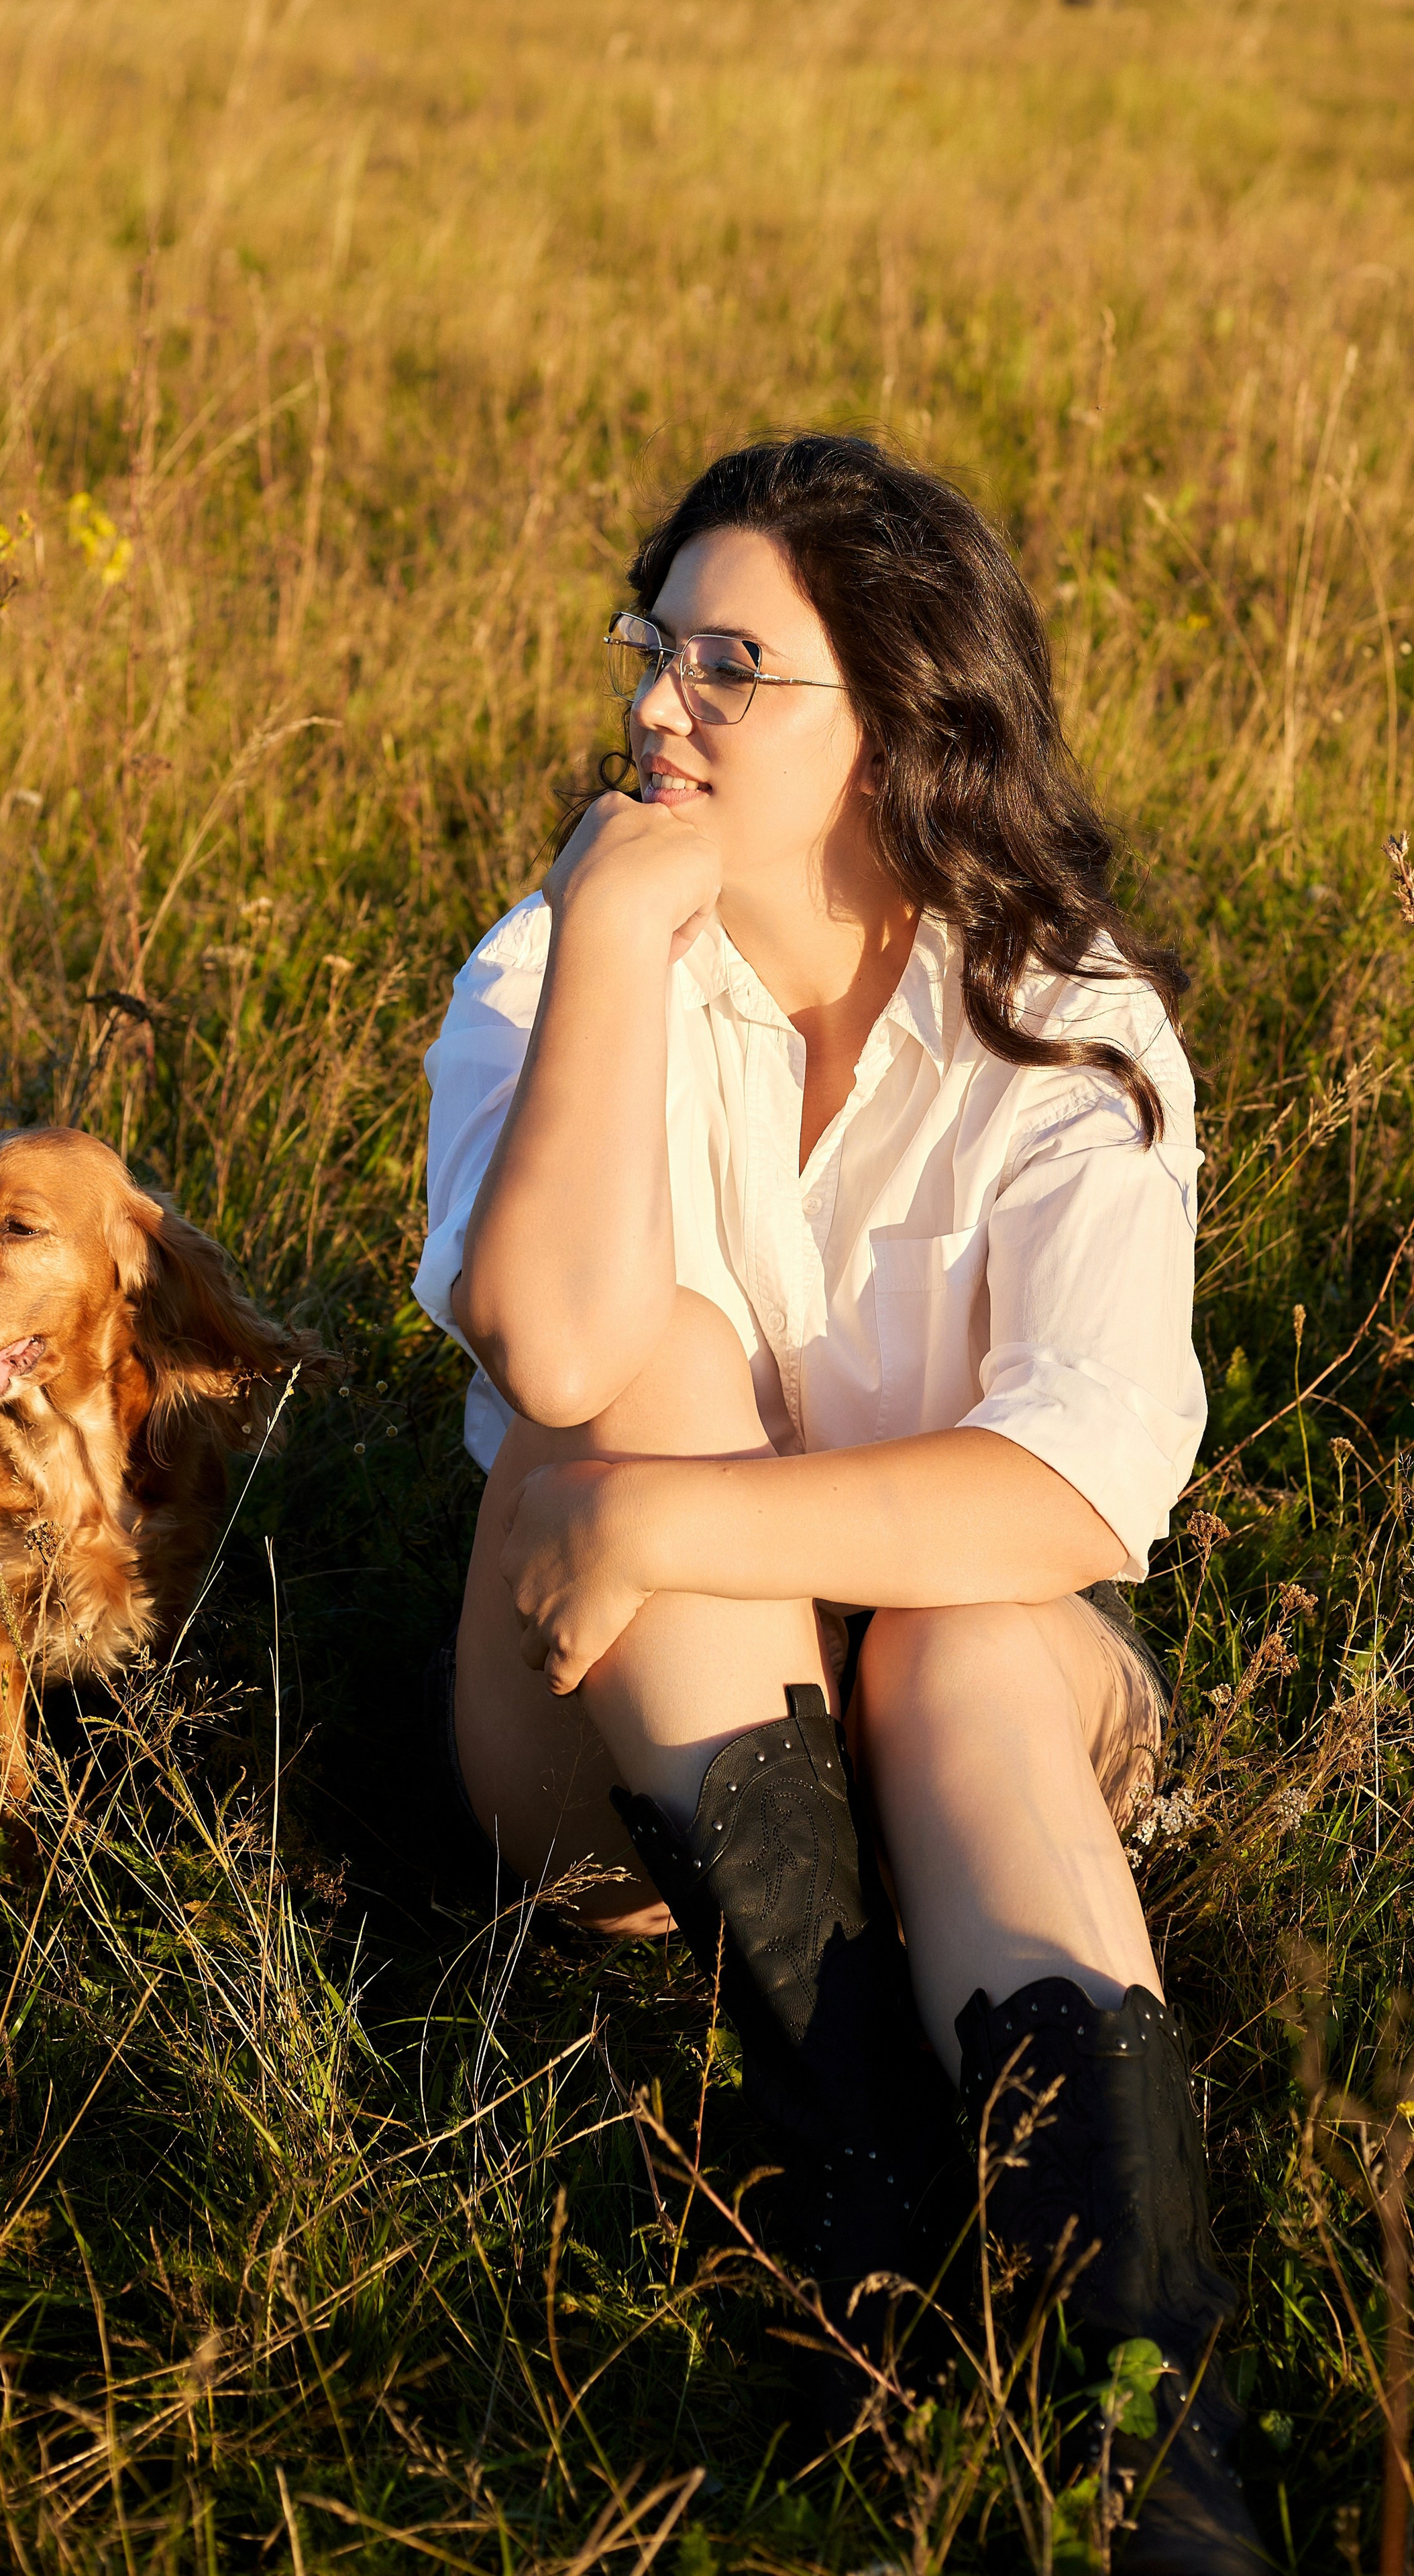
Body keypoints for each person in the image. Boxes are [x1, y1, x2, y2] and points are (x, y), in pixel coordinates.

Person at [412, 435, 1265, 2571]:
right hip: (622, 1754)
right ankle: (866, 2239)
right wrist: (619, 933)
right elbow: (549, 1351)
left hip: (977, 1721)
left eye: (731, 665)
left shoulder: (1067, 1028)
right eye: (653, 648)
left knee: (965, 1640)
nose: (657, 704)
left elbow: (1075, 1483)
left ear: (889, 725)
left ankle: (1154, 2450)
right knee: (659, 1370)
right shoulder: (550, 960)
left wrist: (689, 1531)